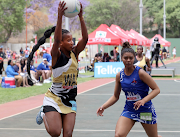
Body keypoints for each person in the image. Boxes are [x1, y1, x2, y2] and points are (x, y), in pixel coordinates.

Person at [34, 1, 88, 137]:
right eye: (68, 40)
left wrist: (81, 17)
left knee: (68, 134)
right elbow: (56, 40)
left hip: (70, 99)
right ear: (62, 43)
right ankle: (43, 112)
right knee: (55, 133)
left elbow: (85, 39)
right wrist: (59, 17)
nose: (72, 42)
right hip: (53, 98)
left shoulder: (74, 52)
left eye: (72, 40)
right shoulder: (56, 55)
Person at [97, 42, 161, 137]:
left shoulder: (141, 73)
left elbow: (156, 89)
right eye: (125, 58)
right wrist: (103, 106)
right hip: (130, 110)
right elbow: (115, 96)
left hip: (145, 110)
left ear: (134, 58)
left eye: (131, 58)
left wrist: (143, 100)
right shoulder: (120, 75)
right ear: (121, 58)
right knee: (119, 135)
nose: (128, 60)